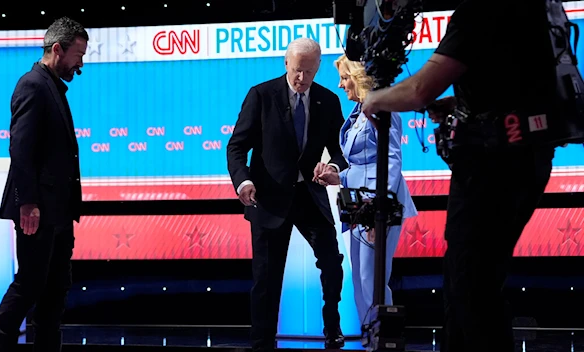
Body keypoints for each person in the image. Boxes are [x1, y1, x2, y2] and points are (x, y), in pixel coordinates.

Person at [360, 1, 556, 351]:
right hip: (525, 158)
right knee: (469, 285)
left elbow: (420, 89)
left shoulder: (480, 11)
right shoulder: (530, 10)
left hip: (493, 168)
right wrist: (459, 105)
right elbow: (512, 84)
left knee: (471, 290)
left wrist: (375, 99)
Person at [226, 38, 349, 351]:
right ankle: (262, 343)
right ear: (285, 64)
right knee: (266, 280)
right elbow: (237, 146)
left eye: (309, 72)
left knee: (333, 264)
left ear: (318, 67)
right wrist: (243, 182)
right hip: (268, 198)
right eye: (296, 71)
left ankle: (332, 329)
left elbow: (339, 150)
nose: (301, 79)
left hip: (310, 196)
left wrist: (332, 166)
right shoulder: (261, 95)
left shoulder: (328, 100)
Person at [0, 17, 88, 352]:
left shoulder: (52, 86)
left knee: (56, 289)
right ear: (57, 49)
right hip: (38, 210)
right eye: (78, 55)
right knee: (30, 285)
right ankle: (0, 348)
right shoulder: (32, 84)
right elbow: (20, 147)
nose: (81, 64)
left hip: (58, 211)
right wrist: (27, 202)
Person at [316, 54, 417, 324]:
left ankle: (383, 336)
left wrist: (377, 207)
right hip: (354, 202)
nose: (340, 85)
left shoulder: (383, 109)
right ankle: (368, 335)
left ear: (358, 78)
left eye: (344, 78)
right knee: (360, 278)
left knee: (372, 278)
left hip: (376, 204)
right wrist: (338, 176)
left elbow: (391, 159)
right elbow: (362, 164)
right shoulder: (358, 112)